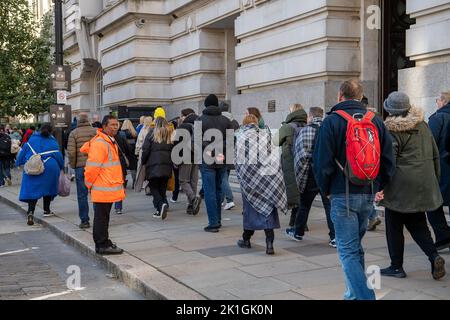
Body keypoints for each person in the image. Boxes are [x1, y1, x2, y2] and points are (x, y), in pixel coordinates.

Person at [313, 79, 396, 300]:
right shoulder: (376, 121)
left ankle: (365, 297)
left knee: (347, 251)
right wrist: (380, 186)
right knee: (356, 248)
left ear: (340, 95)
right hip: (367, 192)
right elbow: (389, 158)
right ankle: (352, 295)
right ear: (360, 97)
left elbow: (321, 162)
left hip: (341, 194)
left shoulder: (331, 122)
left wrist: (326, 190)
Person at [376, 92, 446, 280]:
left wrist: (380, 186)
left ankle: (396, 266)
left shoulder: (392, 130)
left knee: (393, 226)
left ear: (389, 110)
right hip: (424, 182)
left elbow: (388, 162)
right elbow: (435, 154)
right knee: (418, 223)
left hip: (401, 186)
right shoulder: (423, 125)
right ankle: (434, 256)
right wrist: (433, 179)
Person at [235, 114, 286, 255]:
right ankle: (269, 244)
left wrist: (243, 176)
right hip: (267, 180)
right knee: (267, 210)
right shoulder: (266, 136)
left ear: (244, 124)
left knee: (250, 211)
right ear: (256, 123)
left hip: (250, 180)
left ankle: (246, 239)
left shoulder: (241, 138)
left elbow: (239, 163)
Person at [288, 107, 336, 247]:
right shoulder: (330, 128)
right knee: (329, 206)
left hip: (310, 174)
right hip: (327, 173)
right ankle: (334, 237)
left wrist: (300, 175)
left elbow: (300, 156)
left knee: (304, 204)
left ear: (310, 116)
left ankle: (298, 232)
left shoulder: (305, 130)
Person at [81, 115, 125, 255]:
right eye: (112, 124)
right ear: (104, 126)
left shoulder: (108, 141)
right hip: (103, 187)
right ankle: (102, 244)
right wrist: (89, 184)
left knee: (103, 217)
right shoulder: (101, 143)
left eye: (116, 124)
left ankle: (104, 242)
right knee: (101, 217)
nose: (115, 127)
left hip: (106, 186)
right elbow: (92, 167)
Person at [16, 124, 64, 226]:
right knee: (48, 188)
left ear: (39, 130)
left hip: (33, 167)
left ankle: (30, 213)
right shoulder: (52, 141)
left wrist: (18, 163)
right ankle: (46, 210)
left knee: (32, 190)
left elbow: (22, 155)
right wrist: (61, 167)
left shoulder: (31, 140)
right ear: (51, 132)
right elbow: (59, 156)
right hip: (51, 167)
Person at [198, 94, 233, 232]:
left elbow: (196, 141)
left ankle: (213, 223)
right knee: (218, 190)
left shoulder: (200, 120)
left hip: (207, 160)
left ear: (206, 105)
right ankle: (217, 220)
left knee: (209, 191)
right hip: (222, 158)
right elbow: (231, 141)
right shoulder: (226, 120)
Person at [274, 104, 308, 227]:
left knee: (293, 191)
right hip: (306, 162)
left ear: (292, 112)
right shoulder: (308, 126)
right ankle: (297, 220)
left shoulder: (287, 127)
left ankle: (297, 222)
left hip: (290, 162)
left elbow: (275, 141)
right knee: (302, 192)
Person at [427, 92, 450, 251]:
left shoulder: (438, 117)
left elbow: (429, 144)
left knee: (432, 202)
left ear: (443, 101)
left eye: (437, 100)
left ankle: (443, 236)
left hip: (442, 167)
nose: (436, 103)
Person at [67, 113, 97, 229]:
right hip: (95, 166)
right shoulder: (95, 132)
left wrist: (74, 165)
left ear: (78, 121)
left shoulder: (74, 133)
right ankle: (99, 219)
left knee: (82, 195)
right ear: (88, 120)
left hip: (81, 167)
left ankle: (85, 220)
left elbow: (71, 152)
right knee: (96, 193)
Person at [141, 117, 174, 220]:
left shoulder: (151, 134)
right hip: (167, 165)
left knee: (153, 187)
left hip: (153, 165)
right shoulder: (170, 134)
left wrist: (143, 161)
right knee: (162, 187)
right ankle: (161, 207)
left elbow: (145, 150)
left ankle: (160, 205)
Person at [174, 108, 202, 215]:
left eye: (181, 116)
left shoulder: (183, 126)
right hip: (196, 156)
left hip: (185, 156)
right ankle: (192, 206)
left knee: (183, 180)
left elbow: (177, 144)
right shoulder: (199, 125)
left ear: (184, 116)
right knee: (193, 181)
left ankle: (193, 199)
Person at [220, 101, 239, 210]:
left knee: (222, 178)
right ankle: (222, 199)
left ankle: (230, 199)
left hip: (222, 151)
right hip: (231, 151)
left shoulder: (219, 120)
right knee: (225, 176)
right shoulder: (234, 121)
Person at [114, 123, 133, 215]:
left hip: (109, 167)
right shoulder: (121, 137)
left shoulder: (104, 139)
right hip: (120, 165)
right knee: (119, 186)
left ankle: (110, 204)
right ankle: (118, 207)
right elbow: (128, 149)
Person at [120, 119, 138, 187]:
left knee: (124, 169)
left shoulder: (121, 134)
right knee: (133, 168)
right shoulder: (134, 133)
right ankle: (134, 182)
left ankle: (124, 182)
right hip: (132, 153)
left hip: (125, 154)